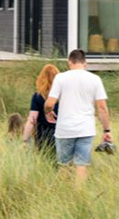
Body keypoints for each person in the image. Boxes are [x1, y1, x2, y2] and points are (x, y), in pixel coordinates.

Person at [44, 50, 112, 185]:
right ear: (85, 63)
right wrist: (106, 131)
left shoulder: (60, 78)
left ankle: (63, 194)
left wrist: (48, 111)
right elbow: (102, 108)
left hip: (65, 129)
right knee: (81, 165)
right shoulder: (95, 79)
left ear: (69, 62)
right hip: (85, 129)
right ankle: (79, 195)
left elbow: (50, 103)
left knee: (64, 165)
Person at [22, 64, 59, 156]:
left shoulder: (37, 96)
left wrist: (25, 139)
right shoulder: (64, 96)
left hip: (43, 136)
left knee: (45, 161)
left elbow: (32, 120)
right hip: (63, 133)